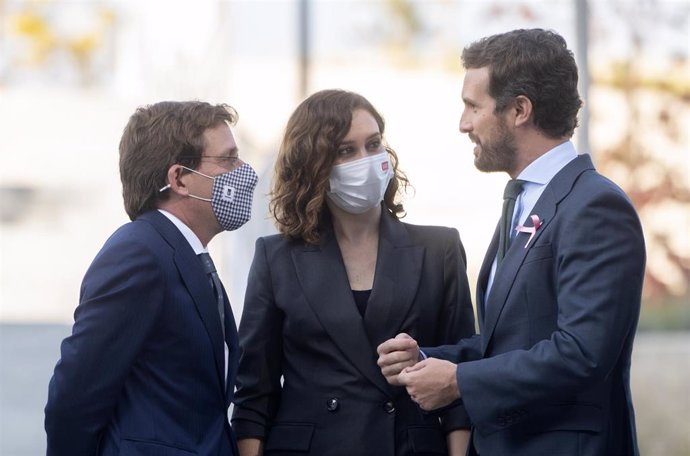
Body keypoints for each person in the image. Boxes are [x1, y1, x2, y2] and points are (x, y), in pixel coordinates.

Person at [377, 28, 646, 456]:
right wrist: (427, 359)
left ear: (519, 110)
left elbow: (581, 353)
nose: (463, 124)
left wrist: (457, 382)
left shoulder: (595, 207)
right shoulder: (525, 200)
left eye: (472, 106)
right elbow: (512, 341)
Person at [231, 89, 476, 456]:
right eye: (346, 151)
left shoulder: (439, 249)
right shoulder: (276, 258)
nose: (366, 159)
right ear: (313, 166)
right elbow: (254, 397)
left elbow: (461, 376)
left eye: (374, 144)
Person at [45, 101, 258, 456]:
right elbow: (74, 399)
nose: (244, 170)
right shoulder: (139, 253)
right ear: (179, 179)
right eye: (228, 159)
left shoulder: (188, 255)